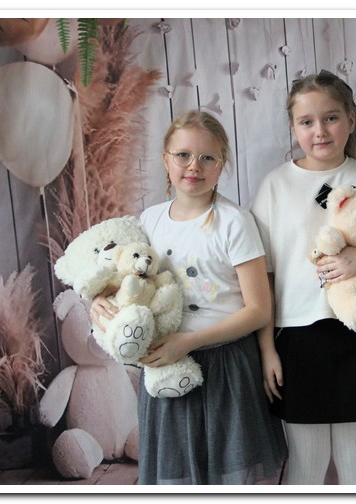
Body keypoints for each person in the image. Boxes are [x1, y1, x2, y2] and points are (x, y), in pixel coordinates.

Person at [91, 110, 287, 485]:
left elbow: (259, 309)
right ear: (166, 160)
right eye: (183, 155)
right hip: (166, 363)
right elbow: (128, 278)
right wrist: (100, 298)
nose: (194, 166)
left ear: (221, 165)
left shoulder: (234, 222)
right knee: (176, 477)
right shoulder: (149, 220)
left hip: (225, 364)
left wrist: (190, 341)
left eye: (207, 157)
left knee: (228, 476)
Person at [250, 70, 356, 485]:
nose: (320, 131)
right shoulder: (275, 186)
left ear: (350, 119)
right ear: (293, 127)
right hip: (295, 339)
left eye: (331, 118)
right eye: (306, 121)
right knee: (306, 466)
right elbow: (262, 278)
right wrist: (267, 350)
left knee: (355, 463)